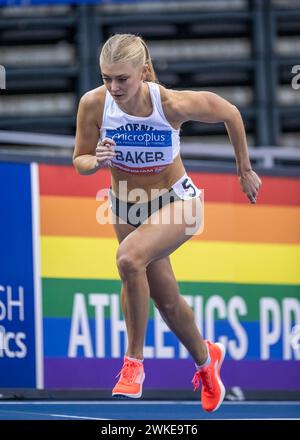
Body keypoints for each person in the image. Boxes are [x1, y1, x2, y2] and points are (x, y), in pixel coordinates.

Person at [73, 33, 262, 412]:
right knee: (168, 302)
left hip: (179, 202)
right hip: (127, 207)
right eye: (106, 78)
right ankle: (207, 363)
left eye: (122, 79)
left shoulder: (170, 103)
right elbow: (79, 159)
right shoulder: (94, 104)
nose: (113, 87)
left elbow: (231, 112)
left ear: (143, 72)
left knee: (128, 259)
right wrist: (96, 161)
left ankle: (134, 364)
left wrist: (244, 170)